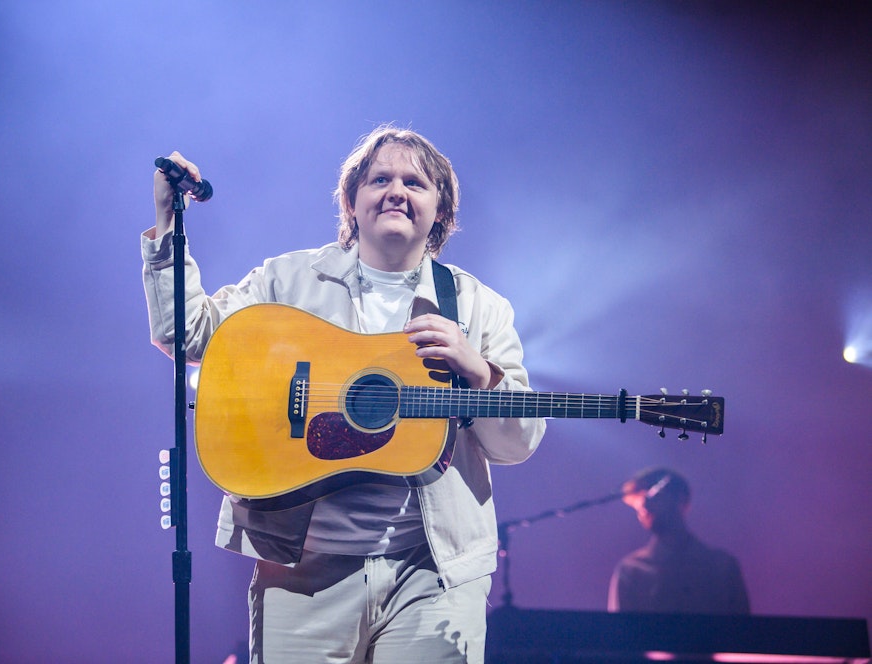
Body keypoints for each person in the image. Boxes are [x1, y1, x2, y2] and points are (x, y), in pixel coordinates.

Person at [141, 124, 546, 663]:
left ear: (441, 211)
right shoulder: (288, 282)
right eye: (380, 178)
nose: (396, 190)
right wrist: (169, 222)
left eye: (415, 182)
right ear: (351, 201)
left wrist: (480, 371)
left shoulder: (478, 307)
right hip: (302, 568)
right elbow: (185, 332)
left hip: (433, 574)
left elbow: (517, 444)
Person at [608, 467, 750, 615]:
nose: (644, 506)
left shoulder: (722, 567)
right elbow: (621, 634)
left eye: (652, 497)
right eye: (637, 502)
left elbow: (742, 631)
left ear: (680, 499)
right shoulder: (632, 570)